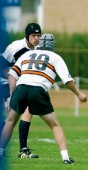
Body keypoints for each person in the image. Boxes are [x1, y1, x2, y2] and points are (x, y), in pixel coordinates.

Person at [0, 34, 87, 164]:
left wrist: (13, 93)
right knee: (55, 125)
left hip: (21, 88)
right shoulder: (56, 57)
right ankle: (65, 158)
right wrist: (79, 94)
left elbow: (12, 74)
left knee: (10, 121)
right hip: (38, 90)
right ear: (53, 45)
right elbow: (67, 80)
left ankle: (1, 152)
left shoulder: (26, 55)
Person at [0, 22, 41, 158]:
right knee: (10, 118)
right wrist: (14, 81)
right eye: (34, 35)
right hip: (5, 83)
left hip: (21, 86)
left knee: (25, 112)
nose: (36, 38)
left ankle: (22, 149)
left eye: (38, 35)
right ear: (27, 36)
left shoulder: (38, 49)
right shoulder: (15, 47)